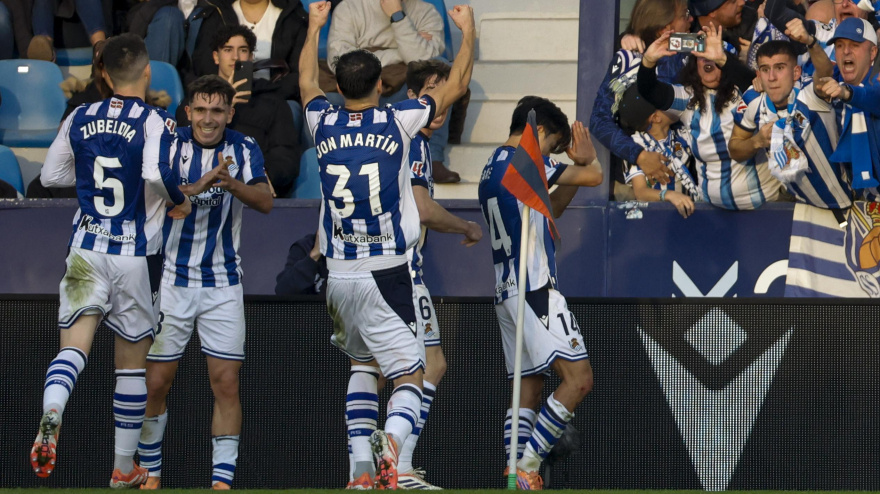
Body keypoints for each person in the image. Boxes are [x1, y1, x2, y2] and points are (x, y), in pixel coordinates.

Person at [299, 0, 474, 488]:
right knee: (411, 375)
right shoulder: (399, 121)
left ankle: (359, 472)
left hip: (339, 274)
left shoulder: (321, 121)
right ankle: (392, 444)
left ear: (337, 86)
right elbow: (456, 85)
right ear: (381, 85)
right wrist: (469, 30)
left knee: (360, 363)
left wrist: (314, 26)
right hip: (386, 269)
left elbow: (304, 83)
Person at [29, 33, 207, 488]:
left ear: (103, 75)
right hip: (134, 255)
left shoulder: (79, 114)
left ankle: (53, 412)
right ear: (148, 71)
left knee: (72, 350)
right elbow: (154, 172)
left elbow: (50, 176)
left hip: (87, 247)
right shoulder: (157, 121)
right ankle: (123, 466)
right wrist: (177, 200)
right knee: (130, 365)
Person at [342, 58, 483, 490]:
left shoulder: (369, 135)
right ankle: (398, 466)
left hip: (352, 268)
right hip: (400, 272)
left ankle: (361, 471)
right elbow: (423, 209)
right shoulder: (411, 140)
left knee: (367, 365)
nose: (441, 108)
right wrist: (465, 225)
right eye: (435, 96)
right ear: (417, 97)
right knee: (427, 365)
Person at [136, 75, 273, 490]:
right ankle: (150, 472)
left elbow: (266, 201)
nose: (208, 119)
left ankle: (221, 481)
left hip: (223, 284)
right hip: (171, 281)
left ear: (230, 113)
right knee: (156, 382)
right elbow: (160, 190)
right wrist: (195, 187)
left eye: (217, 111)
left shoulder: (243, 148)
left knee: (226, 383)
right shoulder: (169, 143)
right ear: (188, 111)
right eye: (201, 110)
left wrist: (229, 182)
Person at [477, 96, 602, 490]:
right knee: (578, 379)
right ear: (540, 133)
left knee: (527, 390)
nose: (551, 153)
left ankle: (515, 475)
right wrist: (587, 157)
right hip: (534, 288)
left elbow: (553, 207)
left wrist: (573, 169)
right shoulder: (526, 161)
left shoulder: (491, 166)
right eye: (551, 145)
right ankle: (529, 465)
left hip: (507, 291)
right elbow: (594, 176)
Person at [638, 23, 784, 210]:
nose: (708, 60)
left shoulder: (747, 90)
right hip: (711, 211)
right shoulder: (688, 98)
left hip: (764, 207)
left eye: (713, 55)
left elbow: (753, 82)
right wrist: (649, 61)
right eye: (702, 54)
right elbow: (649, 91)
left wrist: (722, 58)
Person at [324, 0, 463, 183]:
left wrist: (397, 16)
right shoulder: (349, 7)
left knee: (438, 76)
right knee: (327, 101)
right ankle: (328, 163)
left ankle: (432, 158)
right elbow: (339, 60)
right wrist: (400, 52)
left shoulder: (427, 12)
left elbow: (424, 59)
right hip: (361, 86)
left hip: (404, 89)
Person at [177, 26, 302, 197]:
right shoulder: (198, 96)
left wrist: (261, 177)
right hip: (204, 186)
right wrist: (225, 103)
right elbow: (186, 140)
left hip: (252, 189)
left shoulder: (272, 99)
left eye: (242, 50)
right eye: (228, 50)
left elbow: (285, 153)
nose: (235, 57)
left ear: (251, 57)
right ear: (216, 57)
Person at [730, 38, 852, 208]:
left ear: (796, 72)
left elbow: (825, 72)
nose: (772, 77)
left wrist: (810, 42)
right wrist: (756, 141)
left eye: (779, 68)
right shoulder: (752, 100)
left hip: (849, 200)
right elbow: (734, 148)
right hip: (803, 206)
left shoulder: (809, 92)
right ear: (758, 75)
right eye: (765, 70)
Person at [589, 0, 689, 199]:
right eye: (684, 15)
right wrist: (639, 156)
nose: (691, 19)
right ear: (664, 28)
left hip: (684, 181)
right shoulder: (628, 58)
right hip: (635, 184)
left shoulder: (692, 55)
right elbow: (599, 120)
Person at [813, 17, 880, 200]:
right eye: (840, 46)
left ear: (873, 52)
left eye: (854, 45)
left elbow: (874, 97)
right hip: (855, 205)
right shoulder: (834, 86)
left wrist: (848, 93)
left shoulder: (874, 82)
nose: (846, 52)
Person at [187, 0, 309, 101]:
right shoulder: (217, 13)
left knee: (290, 110)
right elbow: (204, 65)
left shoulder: (293, 17)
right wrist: (225, 94)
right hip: (221, 97)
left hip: (276, 98)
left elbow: (299, 73)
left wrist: (264, 93)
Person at [616, 85, 701, 218]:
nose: (674, 103)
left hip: (690, 213)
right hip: (656, 219)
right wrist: (669, 196)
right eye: (667, 103)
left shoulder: (683, 135)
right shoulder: (635, 146)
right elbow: (641, 192)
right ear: (656, 118)